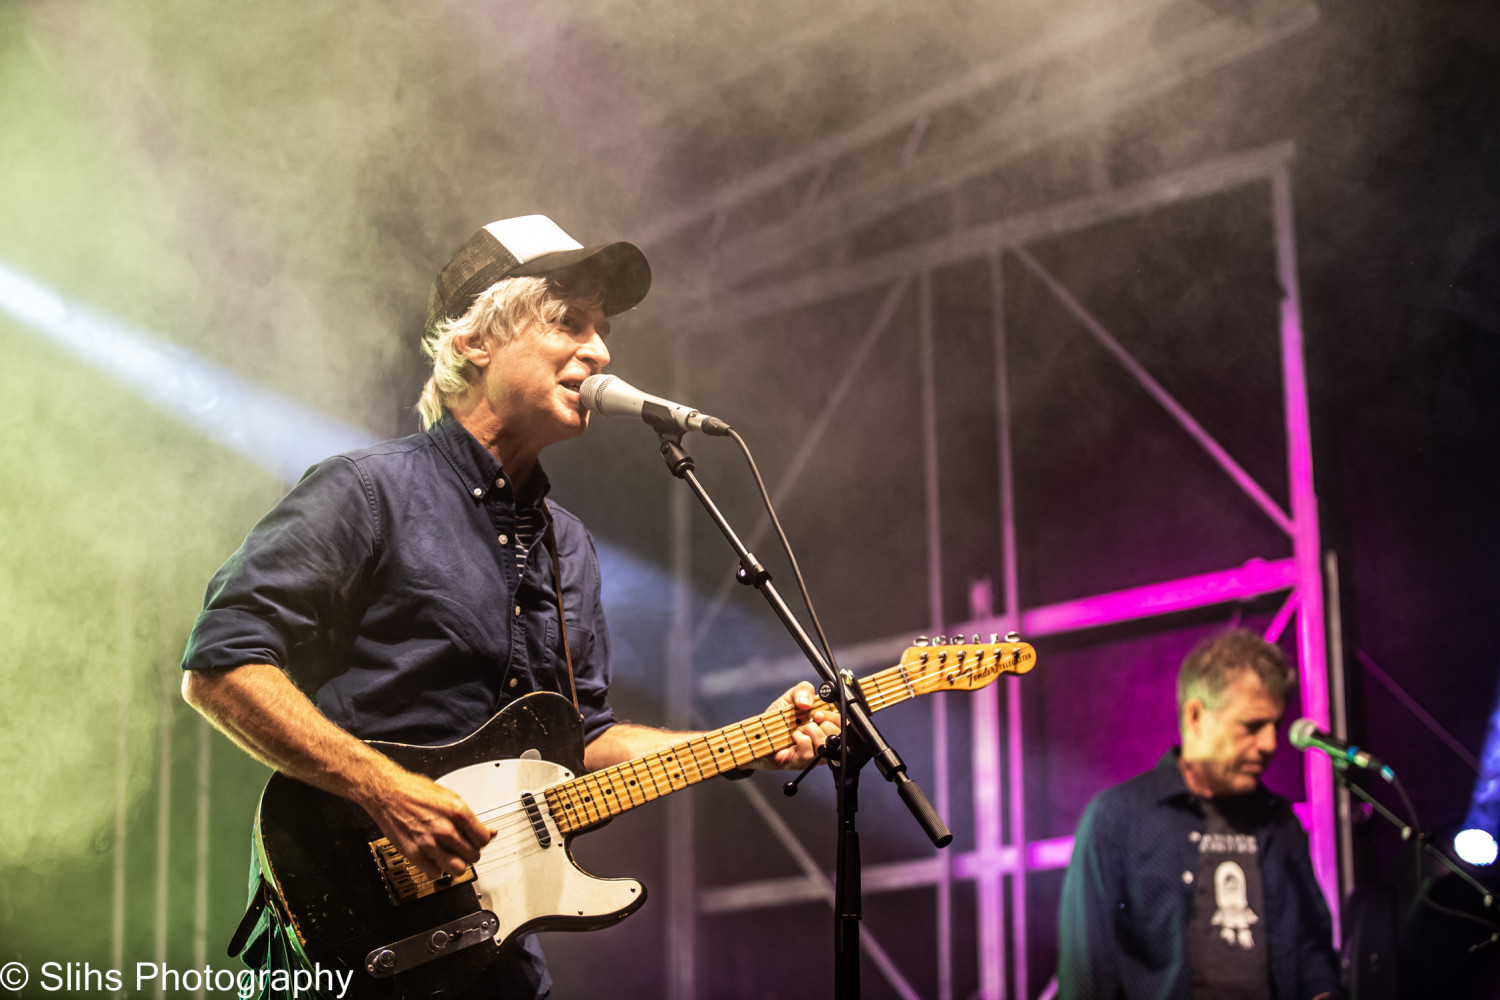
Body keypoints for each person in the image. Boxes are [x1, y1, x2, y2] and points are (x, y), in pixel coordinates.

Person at [180, 215, 840, 998]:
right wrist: (384, 788)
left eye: (602, 328)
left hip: (495, 950)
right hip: (350, 932)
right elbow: (220, 666)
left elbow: (581, 739)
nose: (599, 351)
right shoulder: (366, 491)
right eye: (569, 322)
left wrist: (748, 742)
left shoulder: (569, 547)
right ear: (473, 343)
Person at [1057, 629, 1342, 1000]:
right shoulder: (1118, 818)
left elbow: (1312, 949)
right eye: (1252, 726)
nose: (1270, 744)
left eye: (1275, 725)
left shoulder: (1280, 822)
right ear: (1195, 716)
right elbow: (1086, 975)